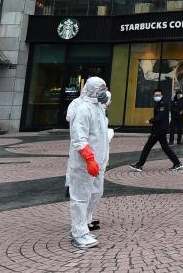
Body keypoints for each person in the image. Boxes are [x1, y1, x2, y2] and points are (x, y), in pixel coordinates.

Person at [67, 77, 111, 248]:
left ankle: (81, 225)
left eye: (105, 87)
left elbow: (99, 134)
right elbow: (79, 137)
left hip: (98, 162)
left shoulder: (98, 107)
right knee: (80, 197)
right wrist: (89, 159)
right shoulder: (83, 108)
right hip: (84, 163)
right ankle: (79, 234)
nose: (104, 91)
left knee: (95, 193)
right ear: (92, 89)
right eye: (101, 88)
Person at [130, 88, 183, 172]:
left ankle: (139, 165)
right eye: (155, 95)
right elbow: (158, 116)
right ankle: (177, 163)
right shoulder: (158, 103)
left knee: (148, 147)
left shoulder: (163, 104)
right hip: (159, 129)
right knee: (165, 147)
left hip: (159, 130)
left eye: (158, 95)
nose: (157, 96)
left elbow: (160, 116)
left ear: (161, 95)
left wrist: (150, 121)